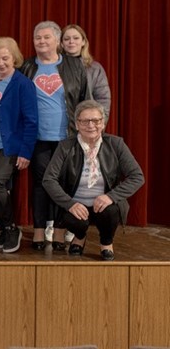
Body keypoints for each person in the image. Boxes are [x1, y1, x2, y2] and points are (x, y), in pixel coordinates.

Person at [43, 100, 144, 260]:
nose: (91, 125)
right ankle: (80, 236)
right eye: (85, 121)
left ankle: (106, 242)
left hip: (103, 205)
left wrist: (110, 196)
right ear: (77, 124)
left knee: (111, 211)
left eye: (96, 120)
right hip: (76, 205)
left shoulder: (116, 144)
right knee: (73, 219)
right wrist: (70, 204)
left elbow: (137, 176)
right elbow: (49, 179)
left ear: (102, 123)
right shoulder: (65, 146)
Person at [20, 21, 88, 249]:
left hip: (66, 137)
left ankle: (59, 232)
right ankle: (39, 231)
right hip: (37, 138)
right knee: (40, 184)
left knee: (64, 184)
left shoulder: (74, 66)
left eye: (46, 37)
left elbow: (84, 100)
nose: (41, 41)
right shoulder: (28, 67)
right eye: (37, 37)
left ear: (58, 41)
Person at [0, 37, 38, 253]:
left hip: (10, 146)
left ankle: (12, 228)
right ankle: (3, 229)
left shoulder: (23, 84)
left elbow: (31, 121)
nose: (1, 63)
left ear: (14, 58)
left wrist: (26, 152)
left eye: (5, 58)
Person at [61, 24, 111, 119]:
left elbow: (103, 99)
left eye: (76, 38)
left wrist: (100, 124)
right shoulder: (54, 67)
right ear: (61, 44)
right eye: (67, 39)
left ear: (83, 41)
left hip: (87, 123)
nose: (71, 42)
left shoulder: (95, 68)